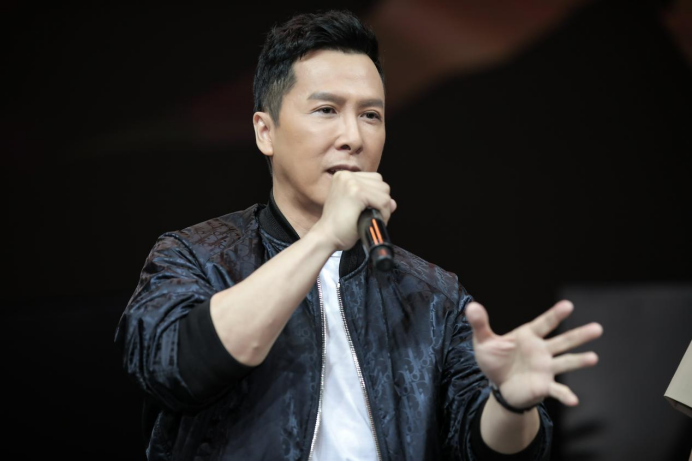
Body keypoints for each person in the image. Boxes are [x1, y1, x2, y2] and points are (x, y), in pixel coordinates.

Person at [114, 9, 603, 461]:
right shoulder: (196, 255)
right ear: (266, 131)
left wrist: (510, 404)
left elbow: (483, 446)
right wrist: (325, 236)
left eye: (371, 115)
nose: (353, 137)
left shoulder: (431, 295)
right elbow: (173, 368)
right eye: (326, 110)